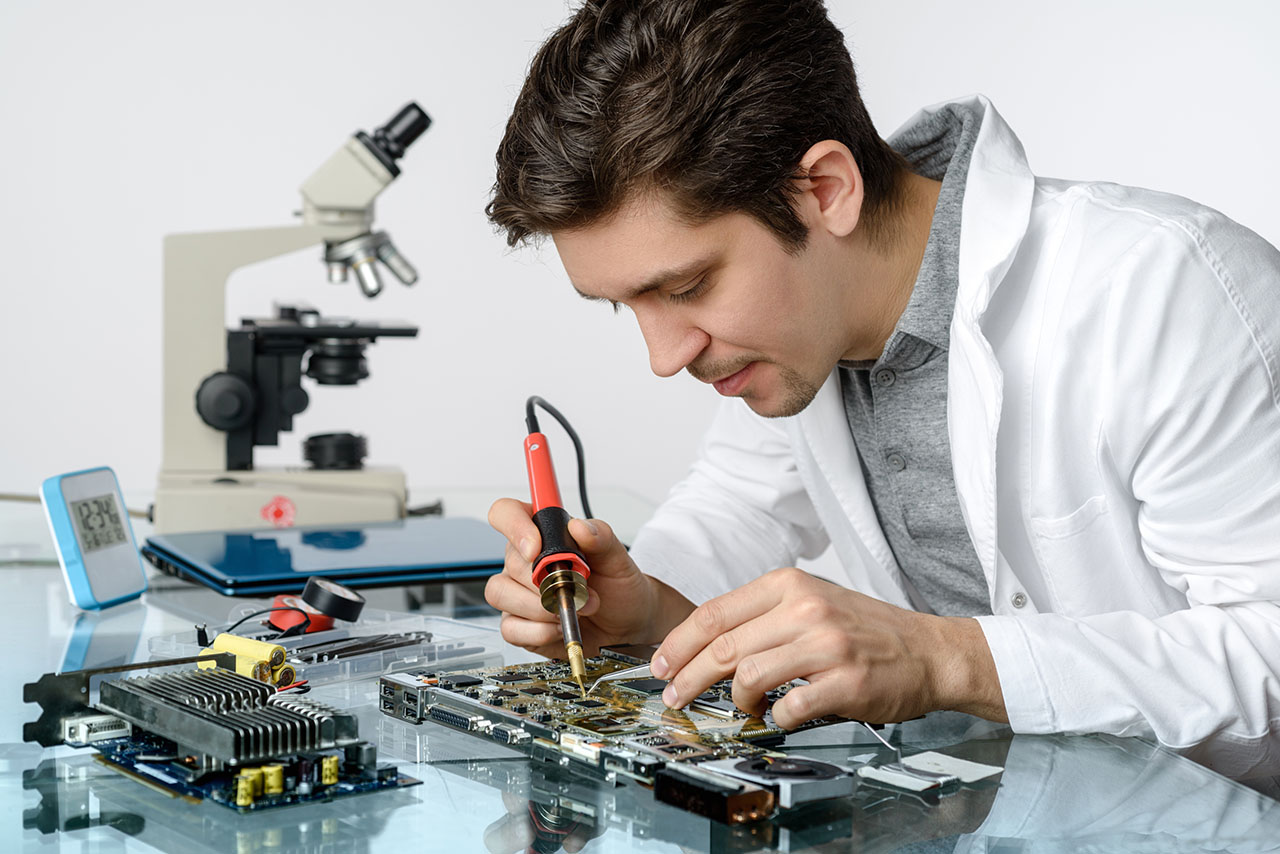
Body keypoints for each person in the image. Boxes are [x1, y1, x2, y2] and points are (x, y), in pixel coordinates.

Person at [481, 0, 1280, 778]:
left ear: (826, 189)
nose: (664, 356)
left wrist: (944, 659)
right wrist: (641, 604)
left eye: (687, 287)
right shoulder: (798, 335)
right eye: (625, 306)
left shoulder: (1166, 289)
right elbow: (738, 503)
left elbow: (1270, 646)